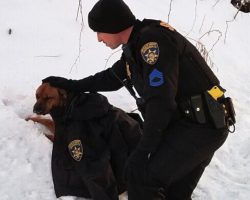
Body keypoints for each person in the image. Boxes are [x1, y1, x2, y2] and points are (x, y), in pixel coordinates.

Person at [44, 0, 236, 199]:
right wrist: (70, 84)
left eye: (100, 31)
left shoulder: (153, 44)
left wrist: (144, 149)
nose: (99, 39)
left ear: (113, 25)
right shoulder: (136, 45)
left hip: (201, 127)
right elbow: (112, 78)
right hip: (195, 124)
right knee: (173, 192)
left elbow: (160, 102)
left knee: (142, 178)